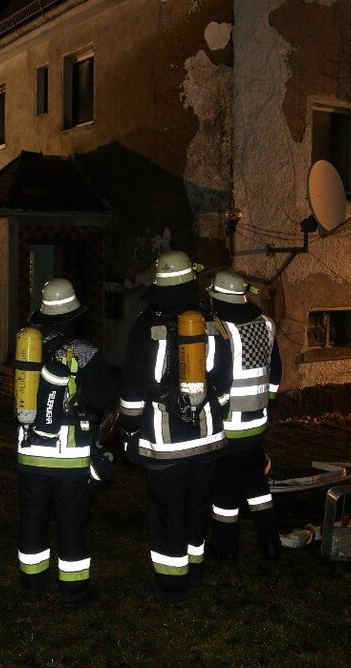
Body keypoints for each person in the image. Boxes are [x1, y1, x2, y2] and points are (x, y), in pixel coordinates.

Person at [118, 250, 231, 601]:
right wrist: (213, 414)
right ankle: (195, 569)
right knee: (197, 504)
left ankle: (171, 583)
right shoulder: (213, 322)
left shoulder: (144, 325)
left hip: (164, 443)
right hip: (209, 438)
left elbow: (133, 389)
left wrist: (129, 430)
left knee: (167, 511)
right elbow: (225, 383)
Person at [15, 278, 113, 607]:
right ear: (73, 316)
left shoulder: (27, 347)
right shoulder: (86, 353)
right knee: (72, 521)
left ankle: (31, 584)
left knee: (32, 518)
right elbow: (101, 399)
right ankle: (74, 591)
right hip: (69, 458)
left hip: (31, 455)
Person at [206, 271, 283, 564]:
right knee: (256, 485)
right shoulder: (266, 324)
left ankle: (225, 551)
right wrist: (268, 404)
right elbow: (275, 372)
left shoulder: (218, 329)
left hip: (227, 425)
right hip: (257, 422)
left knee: (225, 490)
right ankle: (271, 543)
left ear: (217, 297)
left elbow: (214, 377)